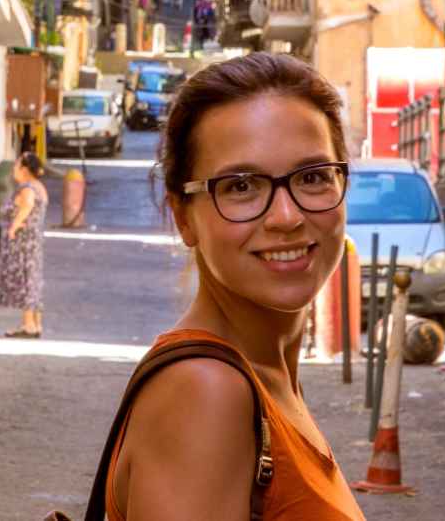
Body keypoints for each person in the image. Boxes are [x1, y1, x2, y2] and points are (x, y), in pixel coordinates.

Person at [105, 52, 364, 520]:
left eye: (312, 177)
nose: (286, 217)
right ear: (184, 216)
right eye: (241, 186)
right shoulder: (205, 393)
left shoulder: (263, 376)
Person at [0, 151, 49, 338]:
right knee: (32, 280)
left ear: (25, 169)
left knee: (25, 280)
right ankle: (35, 323)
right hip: (33, 241)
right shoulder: (40, 187)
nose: (13, 169)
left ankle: (28, 324)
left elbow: (27, 205)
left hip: (22, 242)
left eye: (17, 165)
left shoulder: (27, 188)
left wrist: (14, 227)